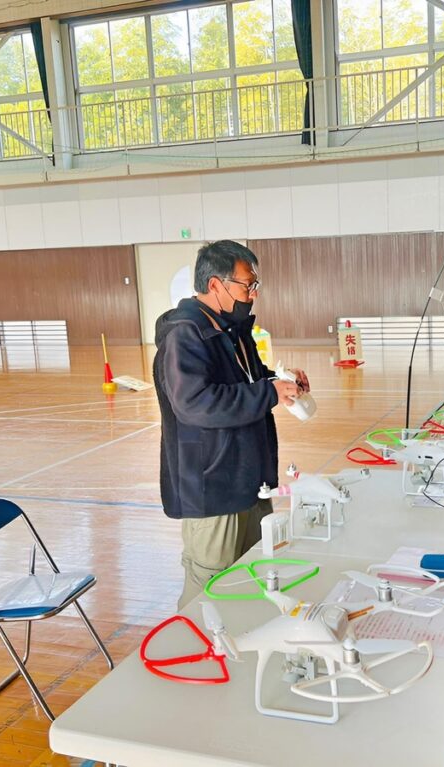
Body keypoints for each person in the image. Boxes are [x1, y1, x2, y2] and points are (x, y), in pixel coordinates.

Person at [153, 241, 309, 610]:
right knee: (209, 580)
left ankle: (236, 647)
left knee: (253, 569)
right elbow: (197, 405)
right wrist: (267, 393)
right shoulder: (185, 335)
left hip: (247, 478)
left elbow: (246, 383)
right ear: (215, 285)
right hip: (211, 486)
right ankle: (186, 647)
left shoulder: (232, 329)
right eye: (246, 285)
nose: (252, 294)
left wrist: (281, 383)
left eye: (255, 286)